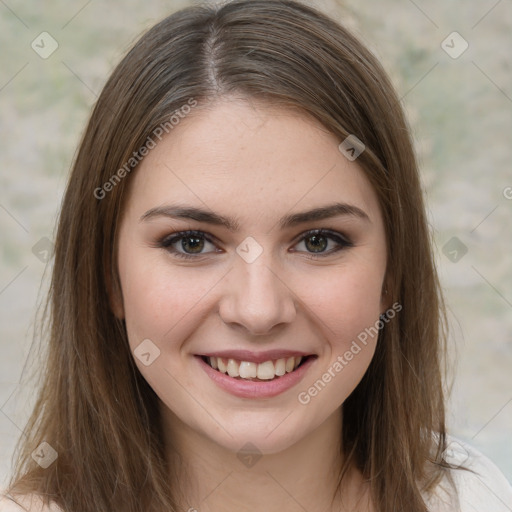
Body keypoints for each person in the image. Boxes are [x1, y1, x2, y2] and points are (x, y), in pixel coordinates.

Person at [1, 1, 511, 511]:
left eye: (318, 241)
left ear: (392, 272)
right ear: (108, 277)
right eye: (192, 242)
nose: (258, 310)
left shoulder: (477, 498)